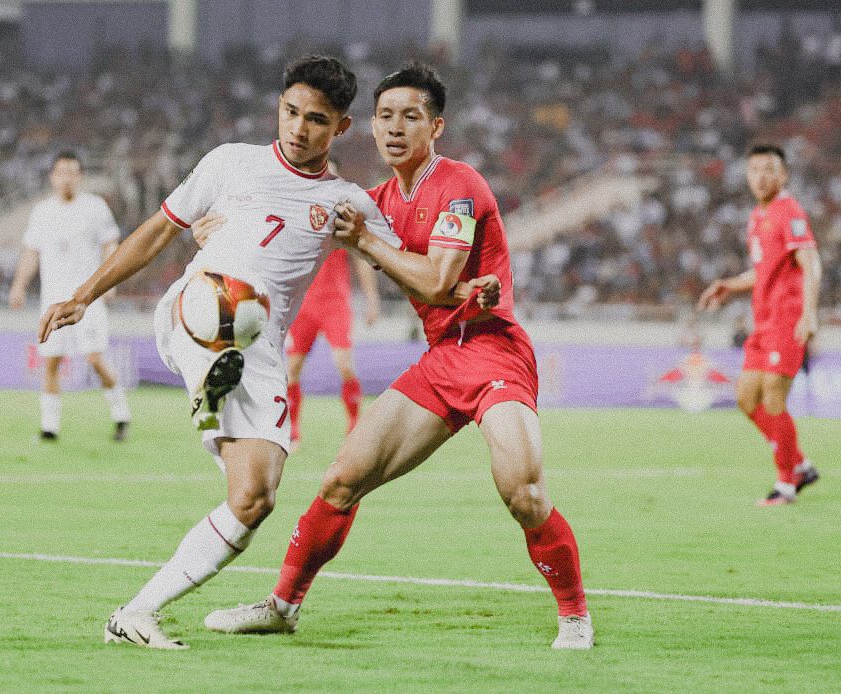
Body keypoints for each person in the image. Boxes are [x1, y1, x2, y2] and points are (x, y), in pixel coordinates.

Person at [36, 55, 499, 650]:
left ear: (341, 129)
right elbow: (157, 231)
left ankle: (135, 613)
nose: (298, 128)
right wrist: (83, 295)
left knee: (254, 499)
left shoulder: (347, 202)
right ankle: (211, 385)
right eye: (290, 112)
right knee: (233, 302)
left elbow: (412, 272)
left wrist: (466, 291)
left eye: (316, 119)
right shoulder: (229, 163)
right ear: (277, 108)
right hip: (200, 308)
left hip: (258, 350)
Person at [204, 63, 593, 650]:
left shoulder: (458, 184)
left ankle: (575, 617)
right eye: (385, 116)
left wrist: (372, 245)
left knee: (524, 490)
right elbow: (292, 218)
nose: (394, 128)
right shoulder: (377, 201)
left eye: (410, 117)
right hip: (441, 360)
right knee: (341, 480)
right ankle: (282, 606)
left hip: (493, 353)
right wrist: (224, 225)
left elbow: (435, 279)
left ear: (435, 126)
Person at [698, 143, 822, 506]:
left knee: (772, 397)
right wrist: (729, 285)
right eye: (754, 170)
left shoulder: (790, 212)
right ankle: (799, 463)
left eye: (769, 169)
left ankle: (786, 484)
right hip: (762, 322)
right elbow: (763, 270)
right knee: (745, 397)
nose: (761, 176)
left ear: (783, 175)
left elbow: (811, 261)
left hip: (787, 319)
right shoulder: (757, 216)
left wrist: (809, 311)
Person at [9, 151, 131, 442]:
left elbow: (110, 245)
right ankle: (49, 427)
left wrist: (109, 282)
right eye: (62, 171)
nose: (67, 177)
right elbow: (31, 253)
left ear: (80, 176)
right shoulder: (42, 212)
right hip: (52, 298)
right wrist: (19, 285)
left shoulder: (95, 207)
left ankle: (121, 415)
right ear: (53, 176)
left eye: (73, 172)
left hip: (88, 298)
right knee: (51, 361)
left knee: (94, 358)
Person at [286, 247, 380, 447]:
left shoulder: (336, 222)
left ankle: (354, 425)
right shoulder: (298, 223)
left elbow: (361, 259)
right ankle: (292, 431)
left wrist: (371, 298)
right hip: (304, 303)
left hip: (335, 303)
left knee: (345, 364)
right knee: (292, 369)